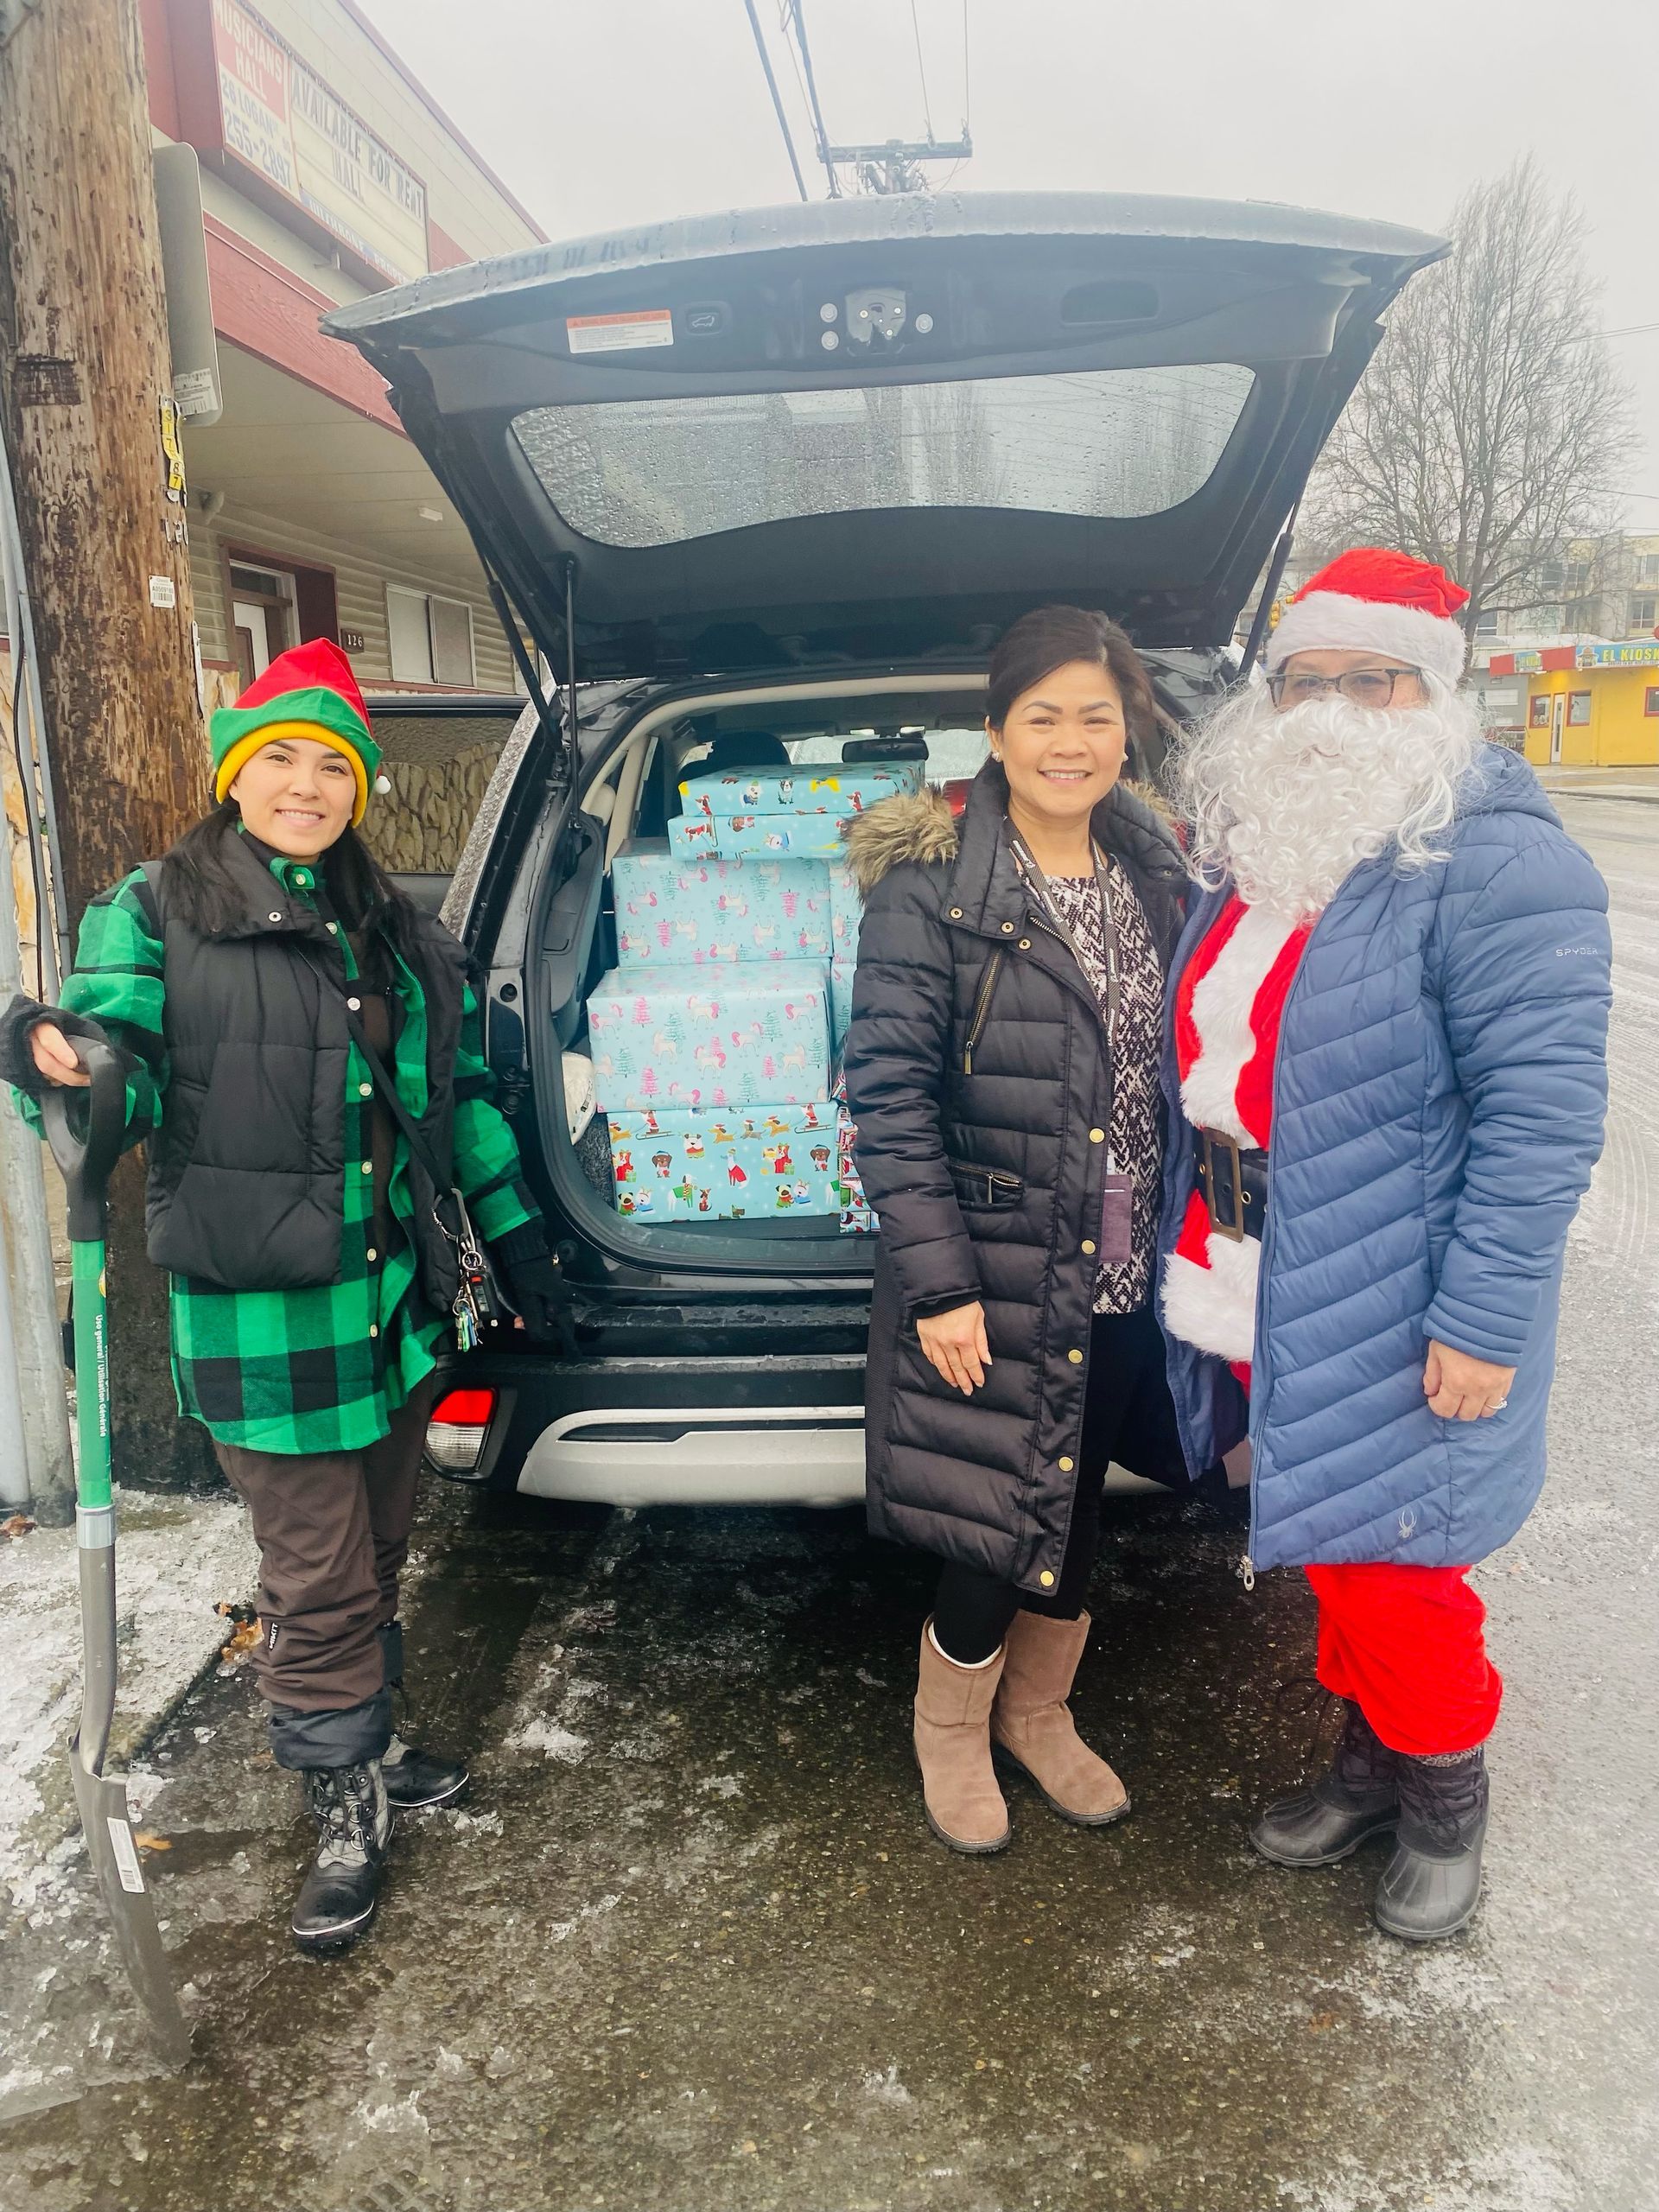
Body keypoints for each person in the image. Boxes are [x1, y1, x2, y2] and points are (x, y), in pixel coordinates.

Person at [2, 640, 565, 1953]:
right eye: (280, 762)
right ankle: (342, 1797)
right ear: (235, 775)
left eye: (332, 765)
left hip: (392, 1306)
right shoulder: (152, 908)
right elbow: (118, 1057)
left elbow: (451, 1104)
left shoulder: (395, 922)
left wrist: (518, 1238)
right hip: (264, 1311)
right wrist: (71, 1069)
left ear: (358, 785)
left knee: (374, 1549)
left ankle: (364, 1732)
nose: (307, 786)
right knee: (313, 1574)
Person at [1157, 547, 1611, 1941]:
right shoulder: (1265, 854)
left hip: (1401, 1292)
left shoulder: (1499, 859)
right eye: (1307, 681)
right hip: (1260, 1274)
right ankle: (1369, 1762)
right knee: (1329, 1536)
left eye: (1374, 679)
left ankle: (1446, 1794)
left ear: (1434, 694)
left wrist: (1479, 1322)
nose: (1333, 709)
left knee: (1401, 1566)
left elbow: (1541, 1126)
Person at [842, 605, 1189, 1854]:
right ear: (994, 731)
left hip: (1129, 1269)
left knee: (1079, 1502)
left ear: (1127, 735)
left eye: (1098, 716)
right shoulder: (932, 888)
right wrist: (939, 1288)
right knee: (997, 1521)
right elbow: (885, 1095)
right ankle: (950, 1730)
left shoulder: (1161, 877)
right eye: (1043, 715)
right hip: (996, 1269)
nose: (1072, 740)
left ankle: (1040, 1714)